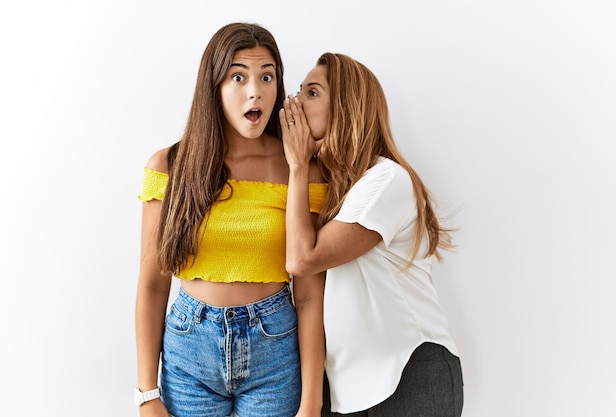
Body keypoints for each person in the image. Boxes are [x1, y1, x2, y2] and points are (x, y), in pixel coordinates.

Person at [135, 23, 327, 417]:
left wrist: (311, 403)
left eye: (267, 76)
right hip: (189, 352)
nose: (255, 90)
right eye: (238, 77)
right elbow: (153, 285)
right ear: (215, 87)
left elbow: (309, 296)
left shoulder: (302, 170)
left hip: (274, 349)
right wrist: (146, 394)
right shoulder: (170, 166)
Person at [279, 52, 464, 417]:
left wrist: (298, 165)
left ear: (347, 109)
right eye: (299, 90)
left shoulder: (385, 180)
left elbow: (303, 259)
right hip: (348, 390)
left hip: (411, 377)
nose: (295, 102)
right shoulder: (335, 189)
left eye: (312, 93)